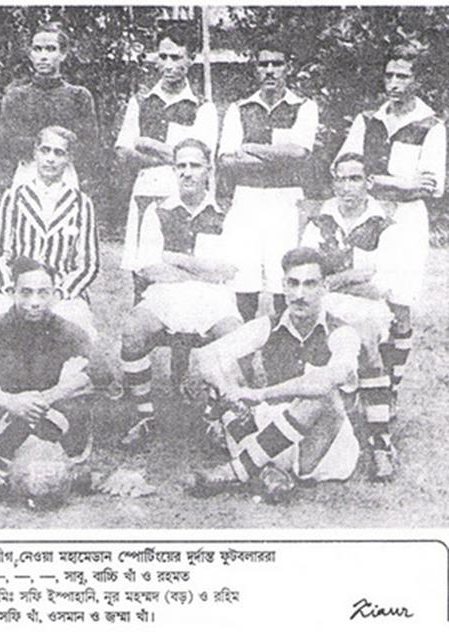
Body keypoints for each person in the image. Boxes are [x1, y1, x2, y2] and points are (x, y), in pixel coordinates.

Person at [187, 248, 361, 501]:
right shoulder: (268, 325)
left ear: (325, 287)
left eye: (310, 284)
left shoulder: (342, 333)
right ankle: (267, 473)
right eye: (293, 283)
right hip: (272, 432)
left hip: (320, 447)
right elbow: (203, 356)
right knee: (224, 370)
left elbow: (327, 382)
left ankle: (235, 471)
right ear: (284, 286)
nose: (300, 294)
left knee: (323, 394)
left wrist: (260, 394)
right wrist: (229, 392)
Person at [335, 43, 445, 438]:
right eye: (389, 75)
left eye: (403, 76)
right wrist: (395, 182)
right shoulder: (368, 120)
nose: (394, 83)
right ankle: (358, 383)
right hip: (368, 216)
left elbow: (429, 186)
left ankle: (390, 389)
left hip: (407, 222)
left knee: (399, 305)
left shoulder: (431, 125)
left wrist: (376, 179)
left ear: (417, 80)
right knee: (363, 294)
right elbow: (343, 165)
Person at [119, 139, 241, 449]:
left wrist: (176, 259)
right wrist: (201, 268)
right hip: (165, 295)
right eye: (181, 166)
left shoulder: (227, 212)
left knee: (233, 335)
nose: (187, 172)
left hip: (213, 298)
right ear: (174, 170)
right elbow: (149, 268)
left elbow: (227, 270)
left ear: (208, 170)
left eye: (195, 165)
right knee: (132, 331)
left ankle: (214, 418)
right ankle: (144, 416)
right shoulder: (158, 211)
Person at [300, 153, 405, 480]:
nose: (347, 187)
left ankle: (379, 441)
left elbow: (382, 287)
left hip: (368, 308)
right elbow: (305, 274)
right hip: (326, 304)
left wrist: (337, 278)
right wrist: (356, 274)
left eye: (355, 179)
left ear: (369, 182)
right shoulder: (319, 222)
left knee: (365, 333)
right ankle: (313, 424)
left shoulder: (385, 224)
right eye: (341, 179)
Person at [0, 257, 94, 504]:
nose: (34, 302)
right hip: (6, 417)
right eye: (26, 292)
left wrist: (46, 398)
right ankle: (14, 471)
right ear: (12, 292)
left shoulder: (69, 332)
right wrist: (9, 401)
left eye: (43, 293)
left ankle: (8, 477)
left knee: (70, 415)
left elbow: (98, 373)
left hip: (53, 415)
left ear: (55, 295)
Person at [0, 126, 99, 341]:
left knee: (80, 332)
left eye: (59, 153)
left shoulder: (82, 203)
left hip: (62, 294)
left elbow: (89, 264)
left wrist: (59, 293)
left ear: (69, 159)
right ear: (35, 153)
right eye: (45, 150)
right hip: (16, 290)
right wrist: (11, 290)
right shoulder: (13, 197)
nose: (50, 159)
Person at [217, 41, 319, 322]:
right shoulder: (240, 108)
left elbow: (299, 153)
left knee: (283, 276)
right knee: (243, 277)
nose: (270, 70)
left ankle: (284, 341)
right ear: (256, 69)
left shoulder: (304, 106)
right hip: (246, 197)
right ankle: (245, 340)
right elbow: (227, 159)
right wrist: (277, 156)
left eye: (277, 64)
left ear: (288, 68)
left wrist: (251, 148)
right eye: (264, 64)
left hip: (287, 199)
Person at [115, 26, 218, 300]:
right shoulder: (140, 102)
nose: (169, 64)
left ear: (190, 59)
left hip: (185, 200)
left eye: (176, 57)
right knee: (142, 273)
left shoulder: (203, 107)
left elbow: (200, 157)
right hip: (145, 195)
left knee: (182, 273)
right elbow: (124, 151)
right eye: (163, 57)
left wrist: (148, 143)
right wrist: (174, 155)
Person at [0, 22, 98, 187]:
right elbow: (6, 142)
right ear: (30, 54)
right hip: (27, 172)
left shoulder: (78, 96)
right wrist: (58, 139)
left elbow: (89, 144)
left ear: (63, 54)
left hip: (65, 174)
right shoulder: (16, 96)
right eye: (37, 49)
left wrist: (44, 144)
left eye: (50, 49)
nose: (43, 56)